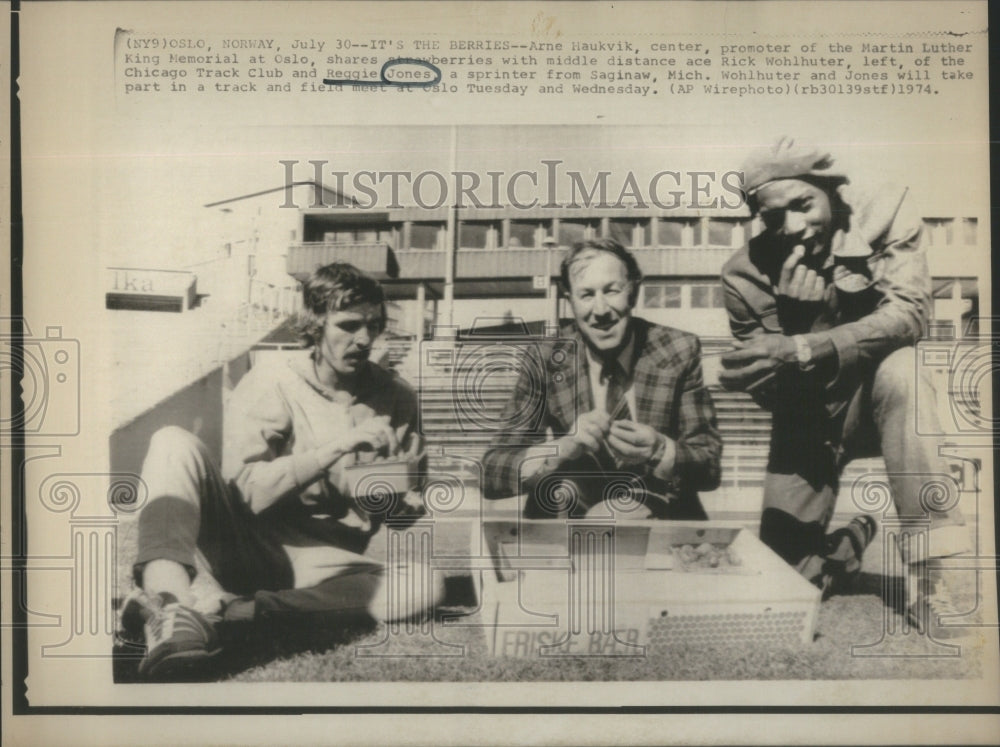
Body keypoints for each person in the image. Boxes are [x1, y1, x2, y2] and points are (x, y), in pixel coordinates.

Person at [123, 262, 441, 679]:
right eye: (348, 325)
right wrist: (337, 448)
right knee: (171, 441)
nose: (364, 339)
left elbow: (401, 515)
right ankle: (170, 610)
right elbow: (248, 493)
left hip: (325, 563)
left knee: (423, 584)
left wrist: (397, 498)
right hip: (244, 542)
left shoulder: (398, 396)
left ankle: (232, 613)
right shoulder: (272, 380)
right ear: (315, 325)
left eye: (374, 325)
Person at [719, 137, 969, 637]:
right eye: (772, 217)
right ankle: (844, 548)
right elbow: (772, 396)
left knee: (906, 371)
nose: (791, 228)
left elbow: (911, 315)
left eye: (802, 204)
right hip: (810, 417)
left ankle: (934, 579)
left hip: (885, 401)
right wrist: (792, 329)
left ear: (830, 190)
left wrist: (809, 344)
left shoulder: (886, 209)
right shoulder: (741, 274)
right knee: (783, 588)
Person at [483, 238, 721, 519]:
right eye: (586, 295)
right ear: (569, 298)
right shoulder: (545, 358)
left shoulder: (679, 350)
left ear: (633, 292)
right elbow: (491, 472)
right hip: (570, 512)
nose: (600, 310)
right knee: (562, 495)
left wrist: (659, 449)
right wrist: (562, 447)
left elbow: (709, 466)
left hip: (657, 511)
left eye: (612, 291)